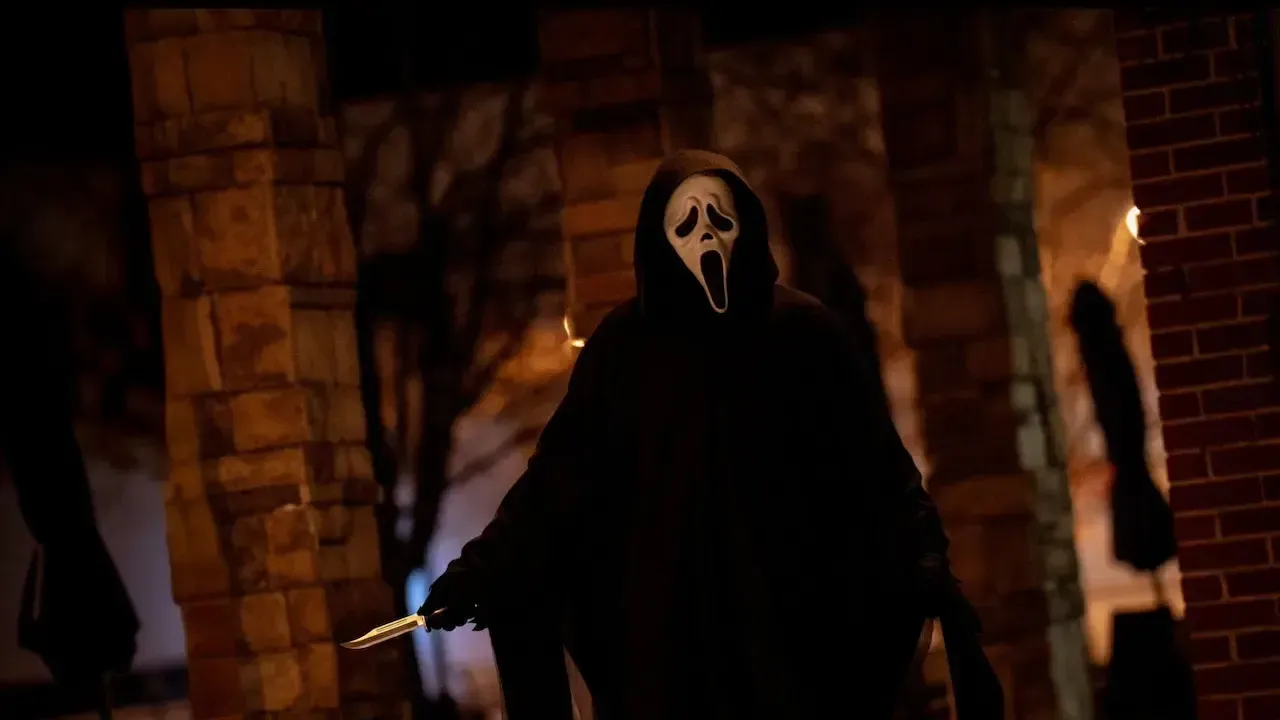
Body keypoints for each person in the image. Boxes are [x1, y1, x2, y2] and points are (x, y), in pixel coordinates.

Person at [420, 150, 1000, 718]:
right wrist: (484, 567)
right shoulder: (624, 350)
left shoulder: (805, 335)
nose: (706, 236)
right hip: (672, 640)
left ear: (747, 223)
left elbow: (876, 467)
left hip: (791, 630)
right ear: (659, 240)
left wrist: (922, 555)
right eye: (686, 223)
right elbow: (558, 480)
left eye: (721, 218)